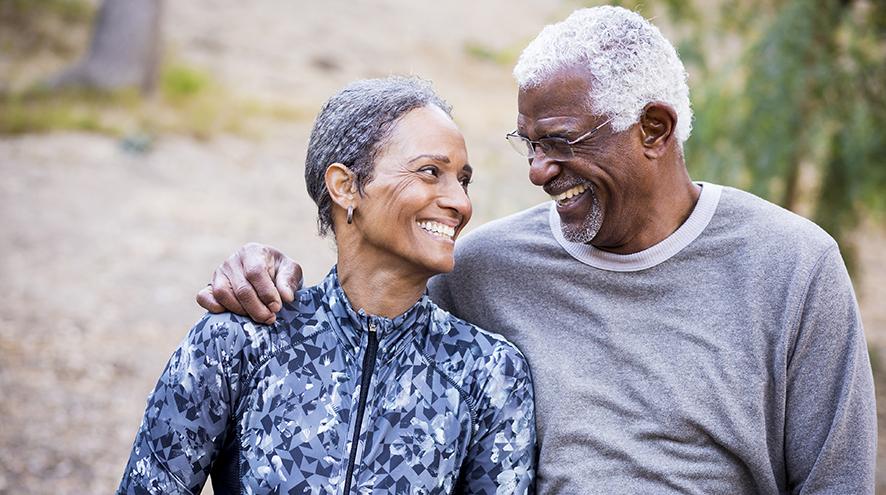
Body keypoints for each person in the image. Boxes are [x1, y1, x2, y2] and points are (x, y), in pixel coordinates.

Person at [197, 6, 876, 494]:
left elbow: (836, 481)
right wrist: (267, 274)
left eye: (561, 142)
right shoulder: (486, 267)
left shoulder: (792, 265)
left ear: (654, 129)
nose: (538, 171)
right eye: (529, 145)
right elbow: (365, 329)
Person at [119, 77, 536, 494]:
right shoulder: (240, 342)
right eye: (431, 172)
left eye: (462, 180)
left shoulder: (490, 373)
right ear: (346, 186)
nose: (461, 203)